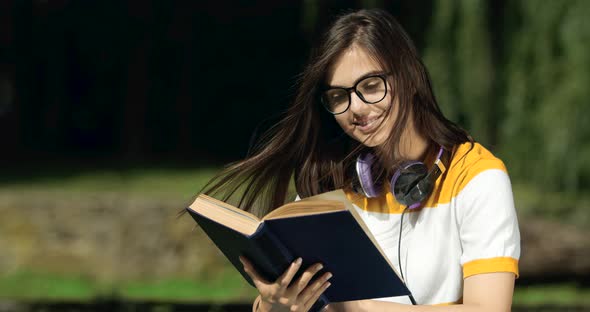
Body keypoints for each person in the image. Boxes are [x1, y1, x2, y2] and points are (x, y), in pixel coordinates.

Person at [204, 8, 520, 312]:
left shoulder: (478, 178)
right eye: (339, 96)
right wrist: (275, 305)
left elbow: (489, 308)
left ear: (409, 77)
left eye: (370, 86)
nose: (356, 108)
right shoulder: (327, 185)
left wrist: (359, 308)